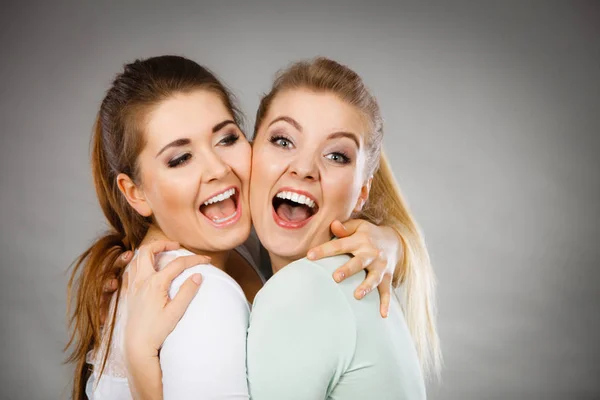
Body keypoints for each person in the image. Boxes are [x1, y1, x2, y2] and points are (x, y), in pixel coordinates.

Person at [65, 56, 406, 400]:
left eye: (226, 139)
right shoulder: (203, 295)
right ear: (135, 193)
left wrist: (392, 242)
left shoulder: (240, 246)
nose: (216, 168)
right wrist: (140, 364)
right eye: (180, 158)